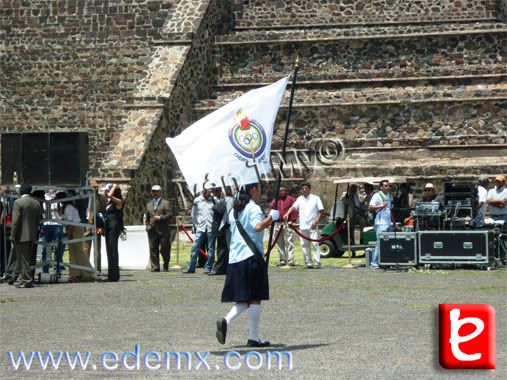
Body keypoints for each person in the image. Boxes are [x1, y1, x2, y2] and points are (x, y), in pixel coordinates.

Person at [215, 182, 279, 347]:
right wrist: (272, 217)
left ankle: (228, 322)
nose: (260, 191)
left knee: (245, 297)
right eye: (259, 188)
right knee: (255, 297)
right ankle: (252, 336)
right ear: (253, 190)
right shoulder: (253, 208)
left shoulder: (235, 210)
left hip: (236, 257)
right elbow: (257, 227)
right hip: (251, 256)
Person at [283, 182, 324, 269]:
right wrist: (287, 213)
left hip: (312, 225)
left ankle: (317, 262)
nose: (304, 190)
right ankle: (308, 262)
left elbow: (321, 211)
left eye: (306, 188)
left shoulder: (315, 198)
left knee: (315, 243)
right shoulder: (299, 199)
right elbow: (293, 207)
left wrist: (316, 221)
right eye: (303, 189)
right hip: (303, 225)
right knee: (304, 245)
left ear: (309, 189)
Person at [10, 184, 42, 288]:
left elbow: (15, 221)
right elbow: (38, 220)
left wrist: (12, 235)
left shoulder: (18, 202)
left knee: (23, 259)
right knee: (26, 258)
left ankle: (26, 280)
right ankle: (23, 278)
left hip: (21, 235)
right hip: (32, 234)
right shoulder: (36, 203)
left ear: (21, 191)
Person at [182, 186, 216, 274]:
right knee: (195, 247)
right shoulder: (197, 200)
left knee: (211, 249)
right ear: (204, 190)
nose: (210, 191)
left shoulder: (214, 200)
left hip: (210, 228)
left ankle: (208, 267)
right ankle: (191, 267)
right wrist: (196, 225)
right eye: (208, 189)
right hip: (200, 227)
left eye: (211, 189)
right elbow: (194, 215)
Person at [61, 193, 93, 282]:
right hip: (74, 228)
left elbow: (70, 222)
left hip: (75, 229)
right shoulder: (69, 207)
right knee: (73, 252)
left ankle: (88, 273)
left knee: (79, 251)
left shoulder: (68, 208)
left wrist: (69, 233)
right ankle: (75, 273)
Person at [145, 185, 172, 272]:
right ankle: (155, 267)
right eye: (153, 191)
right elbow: (147, 217)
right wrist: (147, 226)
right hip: (152, 230)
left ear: (160, 192)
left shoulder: (166, 203)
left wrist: (160, 217)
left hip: (163, 230)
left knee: (165, 249)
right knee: (153, 249)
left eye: (156, 191)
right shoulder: (148, 204)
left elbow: (170, 214)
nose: (154, 193)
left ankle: (165, 265)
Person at [268, 185, 297, 266]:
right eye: (281, 191)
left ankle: (291, 260)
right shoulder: (275, 200)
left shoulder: (290, 199)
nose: (282, 192)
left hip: (287, 223)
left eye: (284, 190)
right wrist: (270, 224)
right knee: (279, 242)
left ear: (286, 191)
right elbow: (272, 212)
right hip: (277, 223)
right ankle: (282, 259)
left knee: (289, 242)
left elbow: (294, 210)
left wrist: (292, 220)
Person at [83, 180, 107, 275]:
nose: (93, 189)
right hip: (87, 223)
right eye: (92, 187)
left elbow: (103, 212)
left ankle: (97, 269)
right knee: (85, 247)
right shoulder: (85, 197)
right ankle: (85, 269)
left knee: (97, 248)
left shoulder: (101, 198)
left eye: (95, 187)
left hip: (98, 224)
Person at [209, 187, 234, 276]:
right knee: (222, 248)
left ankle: (219, 268)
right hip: (221, 227)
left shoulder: (228, 199)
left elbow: (221, 209)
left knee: (222, 249)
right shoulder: (223, 200)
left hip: (223, 227)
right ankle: (223, 268)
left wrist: (214, 205)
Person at [102, 183, 124, 282]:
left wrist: (114, 186)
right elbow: (106, 195)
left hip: (114, 227)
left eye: (109, 190)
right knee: (109, 251)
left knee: (113, 250)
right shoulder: (109, 202)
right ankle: (111, 275)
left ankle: (115, 275)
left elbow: (110, 195)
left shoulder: (118, 202)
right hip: (107, 227)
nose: (107, 192)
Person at [368, 179, 392, 268]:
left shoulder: (388, 195)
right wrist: (381, 205)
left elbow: (390, 210)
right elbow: (370, 207)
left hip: (388, 222)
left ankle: (385, 261)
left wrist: (393, 222)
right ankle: (374, 263)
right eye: (385, 185)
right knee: (379, 243)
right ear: (381, 187)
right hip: (380, 223)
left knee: (387, 243)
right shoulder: (377, 195)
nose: (387, 187)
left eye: (388, 185)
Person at [40, 190, 65, 274]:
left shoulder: (58, 198)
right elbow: (44, 210)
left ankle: (58, 268)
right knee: (46, 248)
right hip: (47, 224)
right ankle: (46, 269)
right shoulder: (45, 197)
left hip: (57, 224)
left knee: (58, 248)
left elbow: (60, 211)